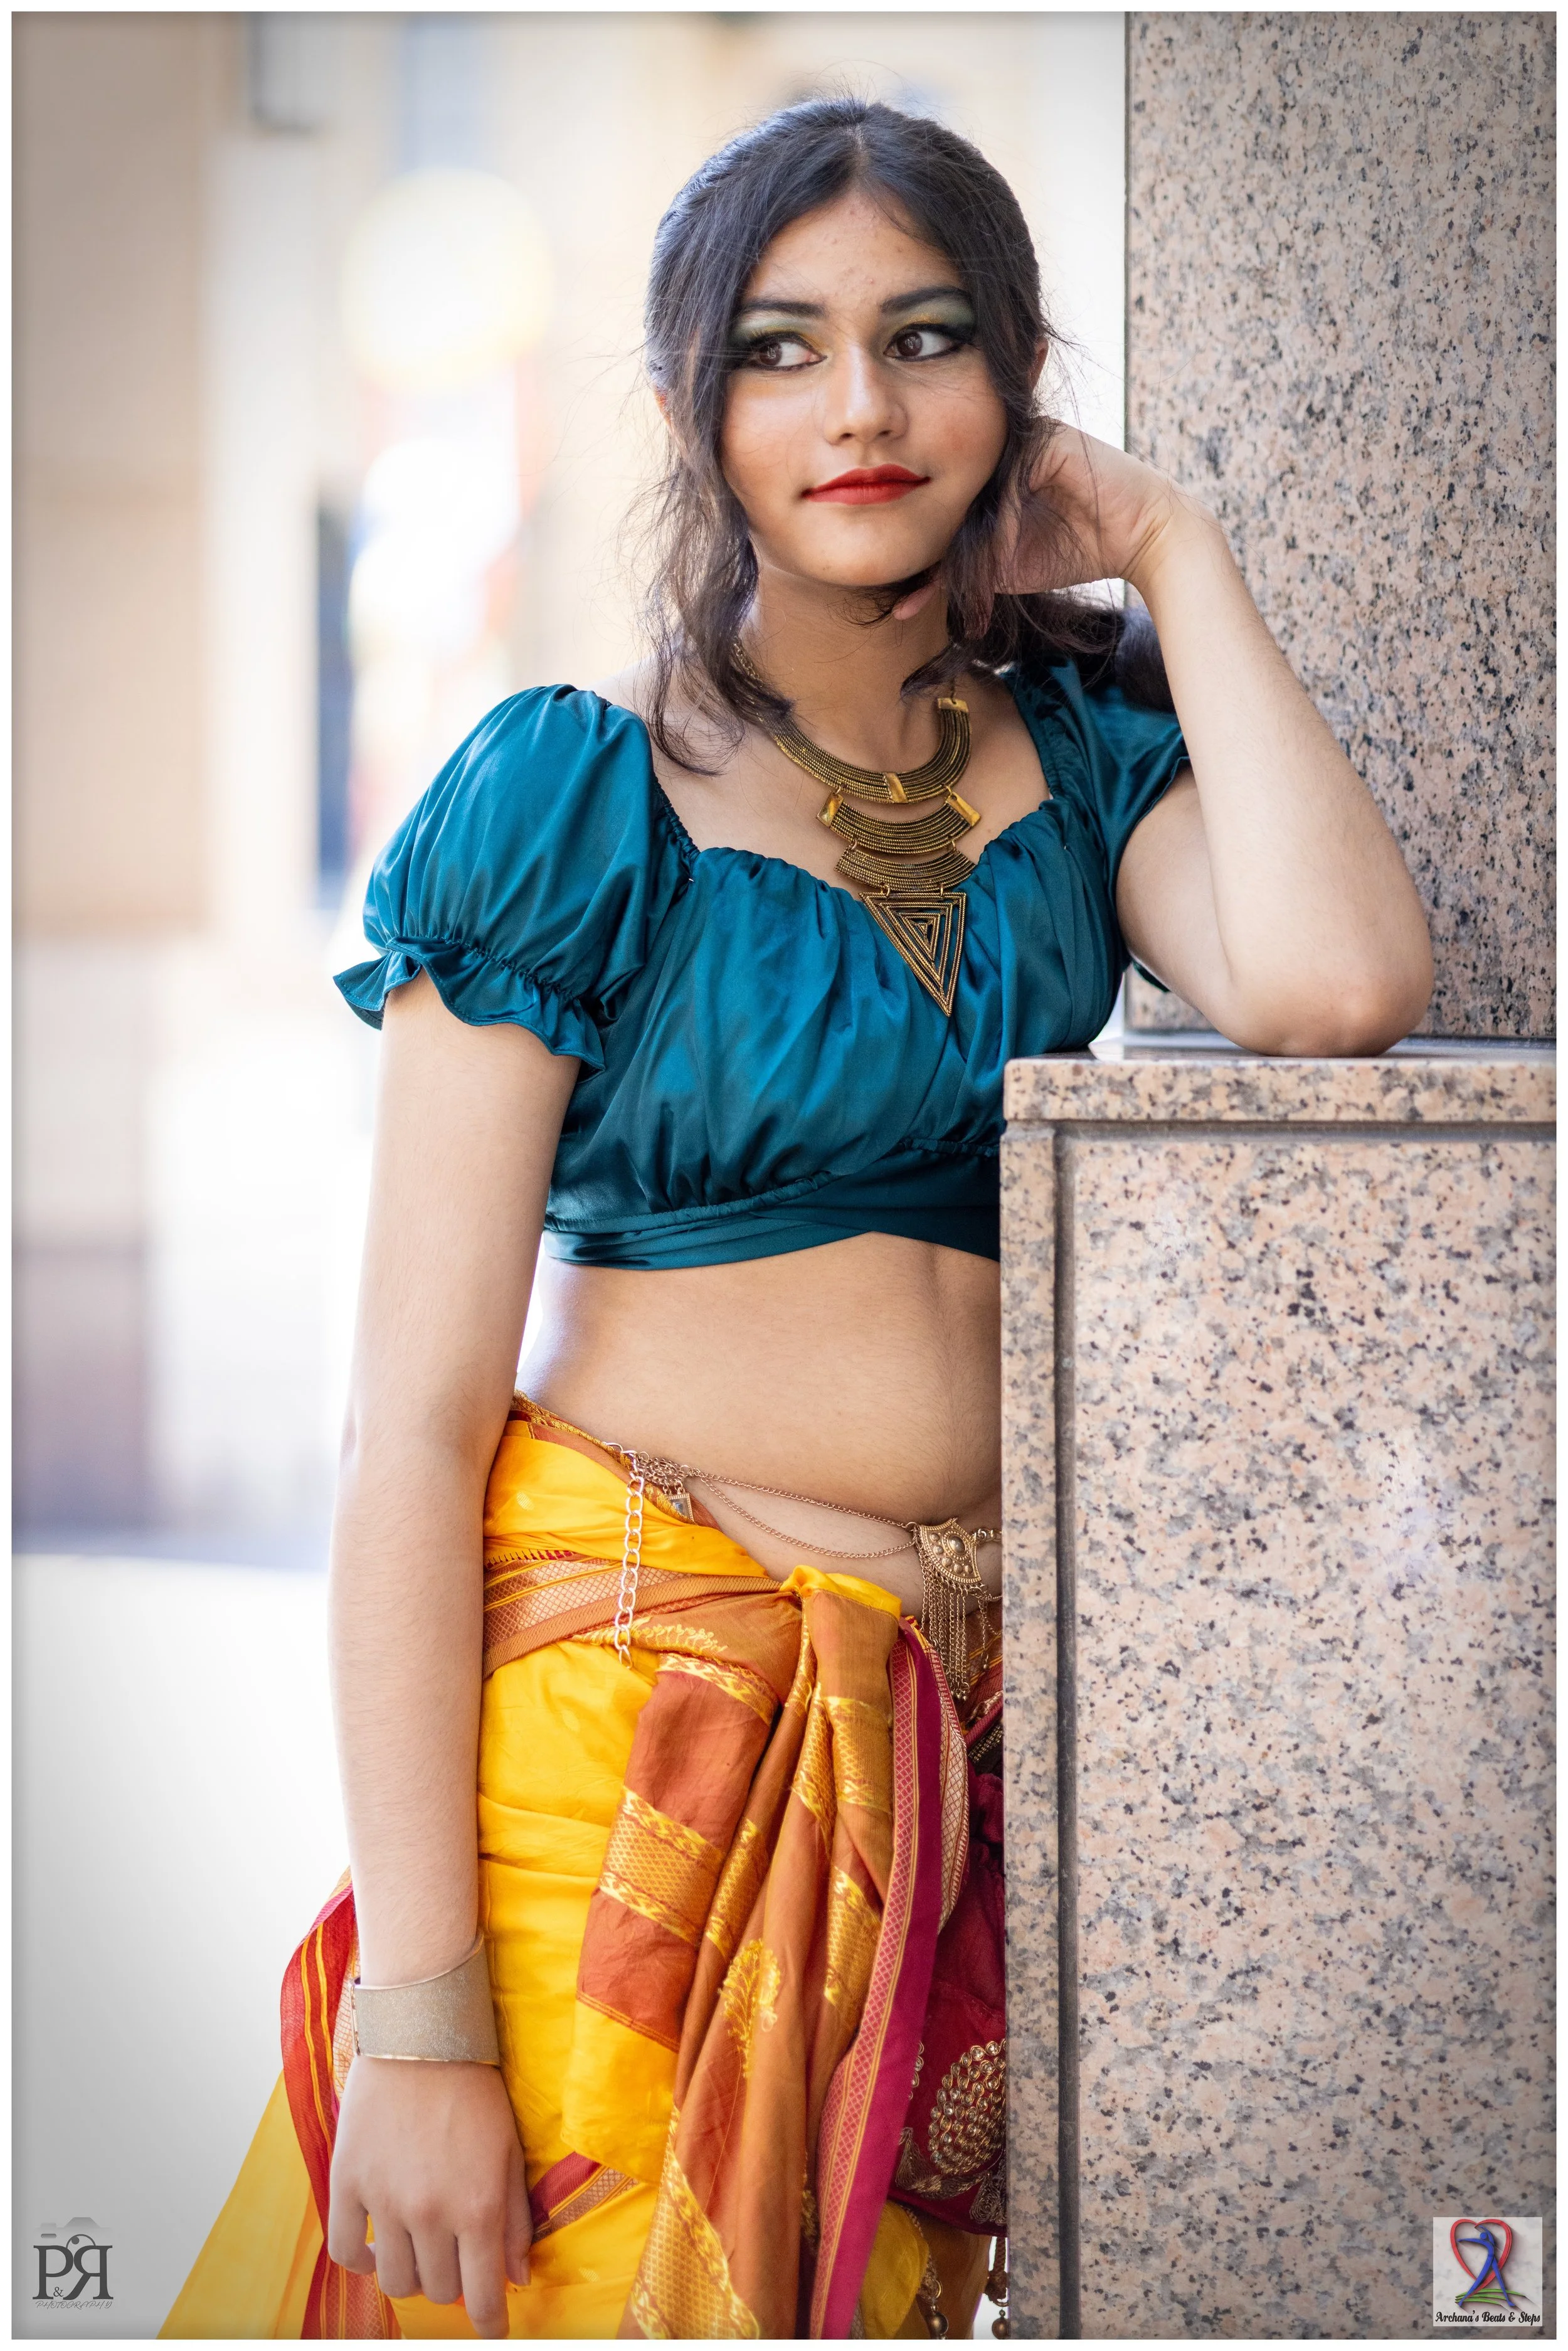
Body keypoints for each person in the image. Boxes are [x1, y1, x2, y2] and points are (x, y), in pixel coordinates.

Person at [161, 96, 1432, 2343]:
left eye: (929, 340)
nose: (862, 407)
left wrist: (1170, 544)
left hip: (932, 1773)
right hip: (625, 1752)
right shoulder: (574, 794)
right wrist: (423, 2020)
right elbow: (413, 1426)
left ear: (1013, 389)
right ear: (690, 404)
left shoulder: (1085, 757)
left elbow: (1333, 988)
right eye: (785, 347)